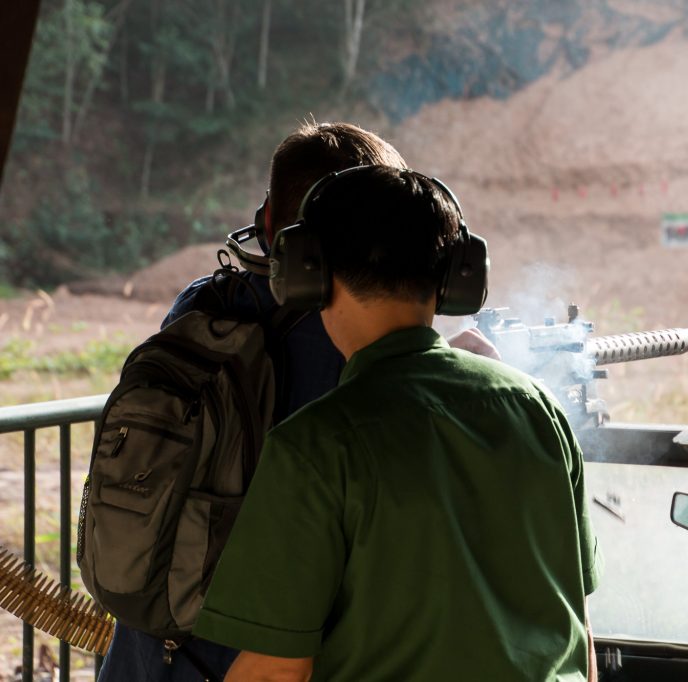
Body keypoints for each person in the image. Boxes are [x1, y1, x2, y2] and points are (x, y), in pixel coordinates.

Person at [97, 121, 497, 681]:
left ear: (269, 225)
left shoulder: (201, 303)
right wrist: (450, 373)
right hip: (263, 656)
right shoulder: (349, 344)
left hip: (148, 652)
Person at [191, 166, 603, 682]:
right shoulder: (540, 410)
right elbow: (579, 631)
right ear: (456, 277)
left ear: (307, 272)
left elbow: (275, 672)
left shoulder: (314, 446)